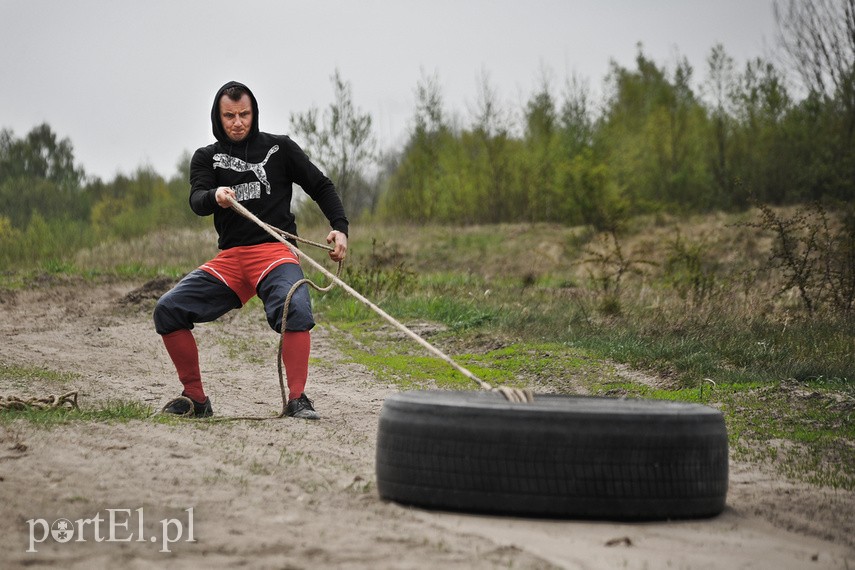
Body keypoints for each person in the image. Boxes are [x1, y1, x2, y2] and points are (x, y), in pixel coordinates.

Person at [153, 80, 348, 420]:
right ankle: (196, 400)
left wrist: (340, 228)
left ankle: (298, 400)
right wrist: (215, 196)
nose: (238, 122)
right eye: (229, 116)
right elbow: (197, 200)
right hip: (230, 260)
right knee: (167, 310)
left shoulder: (281, 148)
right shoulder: (206, 158)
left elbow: (321, 185)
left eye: (244, 114)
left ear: (254, 113)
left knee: (296, 307)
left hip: (275, 253)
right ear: (219, 117)